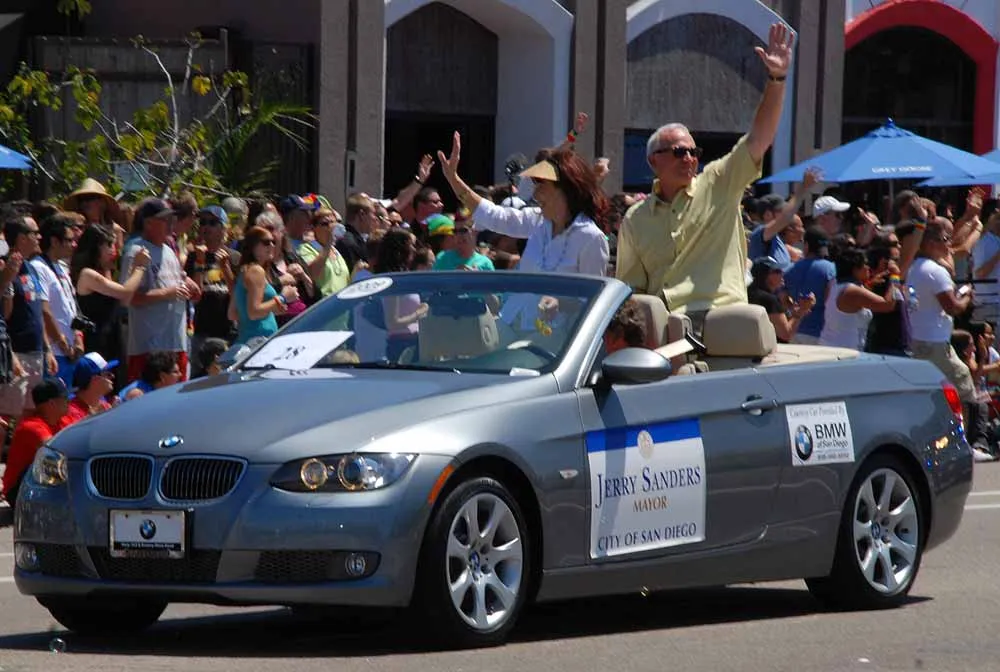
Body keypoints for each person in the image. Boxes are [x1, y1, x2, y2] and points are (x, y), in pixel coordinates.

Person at [614, 22, 795, 337]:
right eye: (678, 151)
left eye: (693, 151)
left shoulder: (719, 181)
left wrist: (777, 79)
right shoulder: (635, 219)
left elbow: (759, 138)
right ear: (653, 160)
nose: (689, 158)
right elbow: (632, 290)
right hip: (666, 329)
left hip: (721, 322)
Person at [438, 135, 609, 335]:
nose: (535, 195)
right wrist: (454, 179)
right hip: (510, 324)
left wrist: (560, 302)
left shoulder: (591, 238)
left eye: (541, 186)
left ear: (564, 189)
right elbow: (493, 215)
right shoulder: (537, 221)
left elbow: (593, 301)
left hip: (554, 342)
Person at [1, 379, 70, 505]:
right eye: (65, 398)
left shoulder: (61, 421)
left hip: (38, 485)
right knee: (52, 461)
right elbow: (56, 449)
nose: (69, 402)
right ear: (52, 403)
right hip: (17, 491)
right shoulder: (31, 426)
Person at [230, 226, 299, 347]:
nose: (272, 246)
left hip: (250, 340)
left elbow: (233, 313)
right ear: (253, 246)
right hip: (257, 342)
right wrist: (283, 297)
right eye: (266, 242)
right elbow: (254, 312)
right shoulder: (256, 271)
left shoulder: (245, 270)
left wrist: (271, 310)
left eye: (273, 242)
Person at [820, 247, 898, 351]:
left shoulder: (834, 285)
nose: (868, 267)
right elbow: (887, 305)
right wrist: (895, 276)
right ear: (855, 269)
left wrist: (869, 283)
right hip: (844, 352)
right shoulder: (852, 291)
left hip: (832, 347)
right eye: (865, 264)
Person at [748, 256, 815, 343]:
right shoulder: (769, 300)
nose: (782, 273)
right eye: (778, 271)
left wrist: (793, 313)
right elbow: (786, 334)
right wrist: (801, 311)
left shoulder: (748, 292)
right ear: (766, 275)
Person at [64, 352, 116, 423]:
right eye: (107, 373)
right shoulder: (71, 413)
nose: (112, 376)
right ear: (94, 378)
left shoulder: (105, 406)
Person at [117, 351, 183, 403]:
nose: (180, 375)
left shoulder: (155, 389)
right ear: (162, 376)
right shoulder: (137, 394)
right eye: (175, 372)